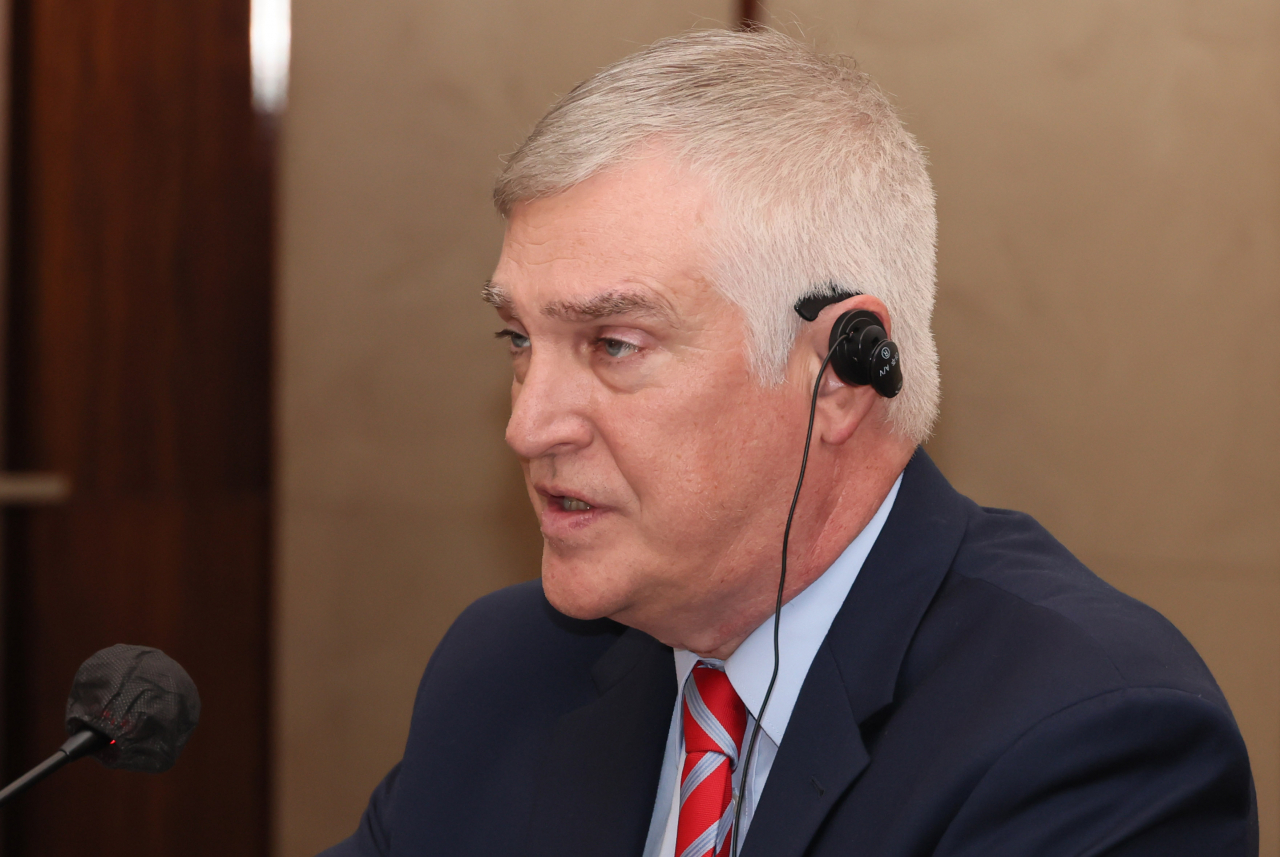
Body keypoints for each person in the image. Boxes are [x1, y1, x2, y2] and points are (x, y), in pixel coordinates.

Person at [320, 28, 1256, 857]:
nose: (527, 425)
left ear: (840, 376)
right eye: (521, 341)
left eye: (613, 344)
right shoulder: (508, 670)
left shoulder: (1087, 738)